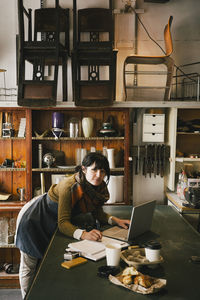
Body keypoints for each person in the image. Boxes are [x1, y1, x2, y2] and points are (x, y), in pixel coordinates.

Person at [15, 152, 130, 298]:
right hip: (34, 218)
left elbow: (98, 213)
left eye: (102, 171)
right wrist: (84, 234)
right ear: (83, 169)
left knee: (45, 264)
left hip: (52, 221)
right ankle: (27, 297)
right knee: (29, 266)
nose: (98, 175)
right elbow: (63, 223)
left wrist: (116, 220)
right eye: (94, 169)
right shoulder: (69, 186)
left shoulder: (98, 187)